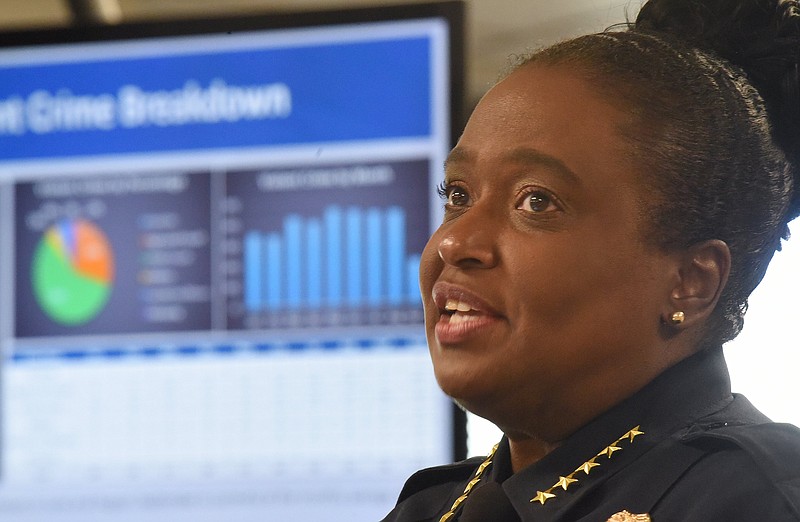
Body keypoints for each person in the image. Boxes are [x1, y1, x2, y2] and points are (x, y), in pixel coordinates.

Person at [381, 0, 800, 520]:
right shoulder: (432, 508)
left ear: (691, 282)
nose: (453, 242)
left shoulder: (751, 501)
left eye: (536, 201)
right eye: (458, 194)